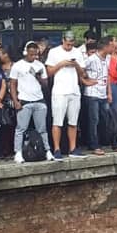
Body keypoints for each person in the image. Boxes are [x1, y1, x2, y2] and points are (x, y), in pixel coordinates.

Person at [46, 31, 93, 159]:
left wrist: (75, 64)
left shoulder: (77, 52)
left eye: (71, 43)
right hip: (60, 91)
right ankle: (56, 149)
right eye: (67, 43)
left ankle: (73, 148)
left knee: (73, 122)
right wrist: (62, 64)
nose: (69, 46)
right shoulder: (54, 52)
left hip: (74, 90)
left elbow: (82, 73)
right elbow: (49, 72)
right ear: (63, 40)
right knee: (58, 121)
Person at [10, 42, 55, 163]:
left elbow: (45, 85)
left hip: (39, 100)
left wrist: (38, 77)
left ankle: (47, 150)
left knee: (42, 128)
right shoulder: (17, 65)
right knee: (21, 128)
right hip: (24, 100)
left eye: (36, 54)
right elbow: (12, 84)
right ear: (26, 53)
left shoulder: (40, 65)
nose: (34, 57)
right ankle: (18, 152)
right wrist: (15, 100)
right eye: (31, 54)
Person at [83, 38, 114, 155]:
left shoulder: (108, 58)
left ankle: (104, 141)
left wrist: (109, 92)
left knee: (105, 117)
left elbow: (108, 76)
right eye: (111, 46)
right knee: (94, 119)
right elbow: (80, 69)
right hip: (92, 93)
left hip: (103, 92)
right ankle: (93, 143)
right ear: (105, 47)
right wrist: (85, 81)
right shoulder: (91, 59)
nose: (113, 48)